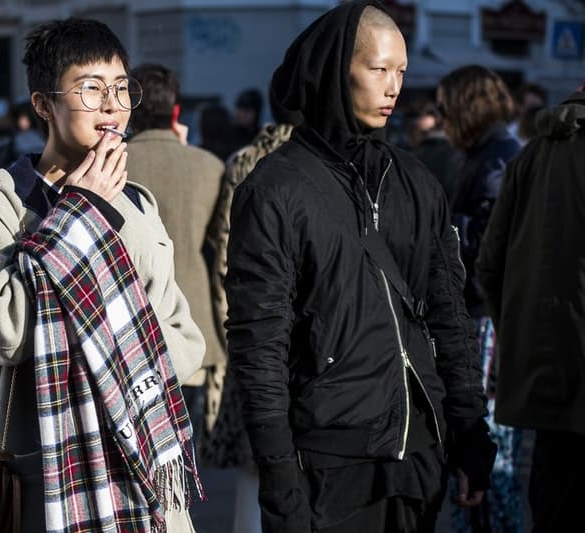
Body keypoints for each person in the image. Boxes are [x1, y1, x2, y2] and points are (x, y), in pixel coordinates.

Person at [224, 2, 496, 532]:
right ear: (334, 71)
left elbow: (449, 317)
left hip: (418, 456)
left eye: (401, 72)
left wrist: (470, 433)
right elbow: (259, 344)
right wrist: (278, 477)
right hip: (327, 460)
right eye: (379, 69)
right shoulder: (275, 190)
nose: (393, 87)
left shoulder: (416, 183)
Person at [0, 18, 205, 533]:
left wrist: (106, 348)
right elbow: (6, 336)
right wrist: (80, 211)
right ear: (43, 104)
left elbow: (185, 343)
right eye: (90, 89)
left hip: (144, 481)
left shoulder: (138, 205)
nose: (112, 105)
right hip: (49, 482)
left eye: (120, 89)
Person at [476, 82, 585, 533]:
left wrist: (524, 339)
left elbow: (489, 265)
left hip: (548, 380)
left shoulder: (531, 155)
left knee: (553, 506)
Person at [200, 87, 300, 533]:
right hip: (311, 324)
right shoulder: (325, 161)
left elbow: (224, 247)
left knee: (255, 450)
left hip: (253, 315)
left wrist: (230, 320)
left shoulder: (245, 160)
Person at [437, 65, 523, 533]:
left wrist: (444, 228)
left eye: (446, 108)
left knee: (488, 450)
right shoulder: (489, 154)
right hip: (485, 316)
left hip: (485, 319)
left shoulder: (496, 160)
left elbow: (489, 246)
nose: (440, 118)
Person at [124, 62, 225, 430]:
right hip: (194, 323)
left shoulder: (108, 166)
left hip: (128, 323)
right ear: (176, 111)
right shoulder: (210, 166)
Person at [404, 97, 462, 201]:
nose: (426, 137)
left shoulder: (450, 155)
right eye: (415, 131)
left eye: (429, 132)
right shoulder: (404, 155)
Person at [0, 101, 47, 170]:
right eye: (19, 117)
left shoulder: (20, 140)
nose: (21, 121)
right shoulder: (41, 138)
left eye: (23, 117)